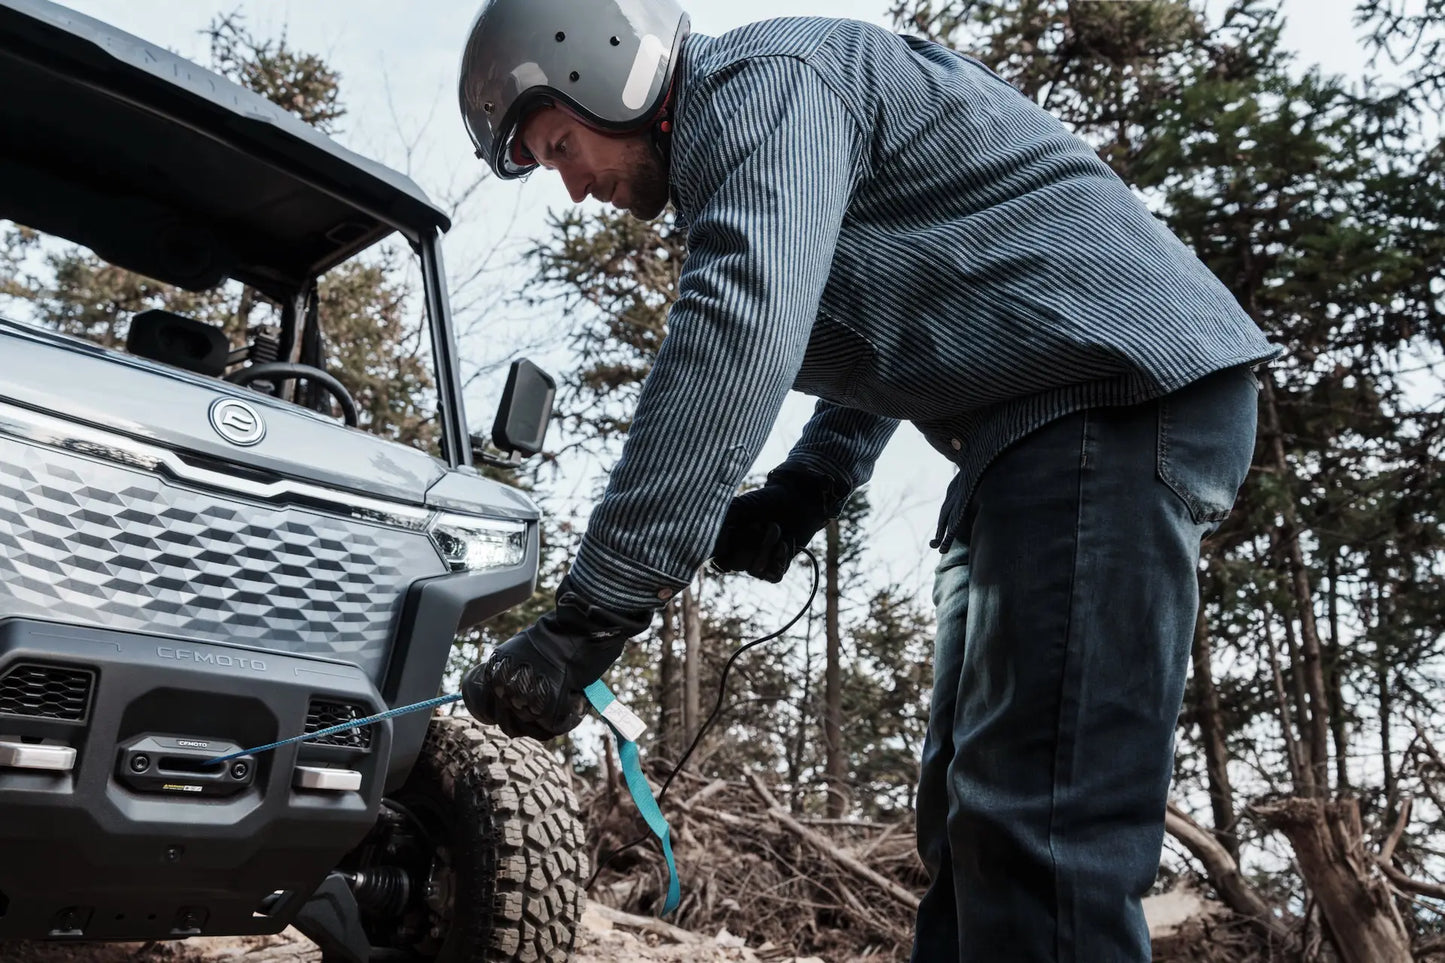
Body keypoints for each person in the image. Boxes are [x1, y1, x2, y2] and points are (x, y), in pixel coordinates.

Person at [455, 2, 1278, 960]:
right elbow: (906, 308)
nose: (571, 188)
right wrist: (807, 487)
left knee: (1041, 827)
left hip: (1111, 398)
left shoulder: (765, 82)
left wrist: (590, 615)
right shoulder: (766, 125)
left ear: (603, 70)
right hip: (1032, 427)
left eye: (558, 146)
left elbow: (739, 323)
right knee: (973, 821)